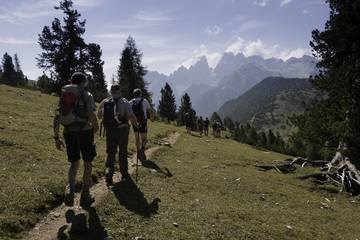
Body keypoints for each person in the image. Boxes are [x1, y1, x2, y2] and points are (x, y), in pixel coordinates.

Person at [53, 72, 99, 207]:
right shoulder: (86, 95)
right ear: (83, 82)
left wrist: (56, 137)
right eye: (85, 82)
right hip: (85, 133)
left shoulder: (65, 96)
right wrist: (94, 128)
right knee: (88, 163)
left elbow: (57, 117)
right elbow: (90, 114)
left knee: (74, 163)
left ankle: (70, 188)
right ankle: (85, 194)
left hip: (69, 133)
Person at [97, 84, 139, 185]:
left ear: (111, 91)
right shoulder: (124, 101)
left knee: (110, 152)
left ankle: (108, 171)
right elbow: (130, 115)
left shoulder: (104, 102)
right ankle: (124, 173)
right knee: (122, 152)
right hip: (122, 130)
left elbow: (99, 116)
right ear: (119, 91)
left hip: (110, 130)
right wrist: (136, 125)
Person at [130, 88, 155, 161]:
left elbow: (128, 114)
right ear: (140, 94)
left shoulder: (130, 102)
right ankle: (143, 149)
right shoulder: (144, 101)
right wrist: (152, 118)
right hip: (143, 122)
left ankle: (138, 152)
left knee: (137, 138)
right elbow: (150, 111)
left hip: (135, 122)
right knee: (144, 138)